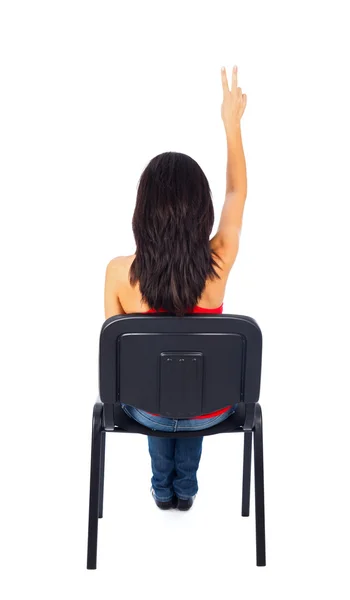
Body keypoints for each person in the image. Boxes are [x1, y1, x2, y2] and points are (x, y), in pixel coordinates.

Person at [104, 65, 248, 511]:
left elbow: (120, 366)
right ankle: (185, 488)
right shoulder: (218, 262)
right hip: (214, 407)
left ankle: (162, 487)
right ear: (201, 211)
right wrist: (232, 125)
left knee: (158, 398)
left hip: (145, 408)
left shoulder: (118, 273)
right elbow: (236, 193)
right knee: (191, 402)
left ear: (142, 211)